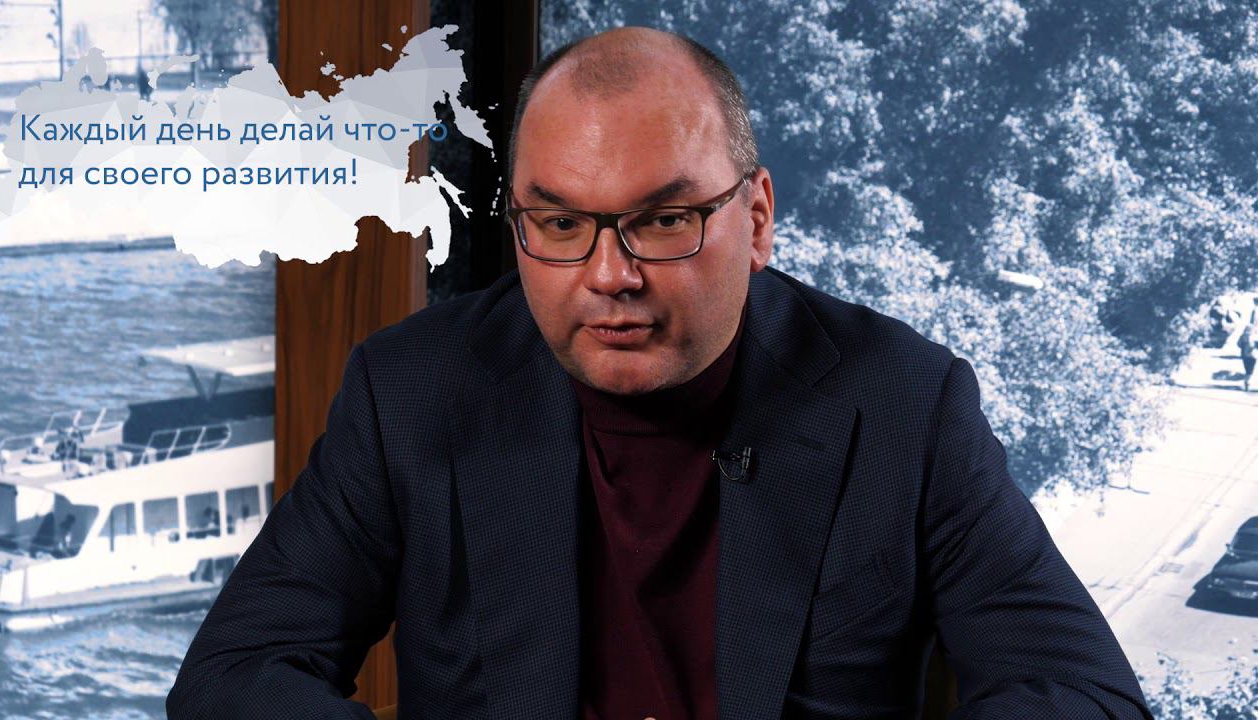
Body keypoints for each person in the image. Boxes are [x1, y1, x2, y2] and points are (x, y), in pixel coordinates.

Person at [167, 27, 1152, 720]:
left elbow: (1083, 694)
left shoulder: (903, 402)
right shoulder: (413, 391)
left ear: (755, 220)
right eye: (561, 224)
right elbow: (233, 676)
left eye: (664, 220)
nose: (610, 275)